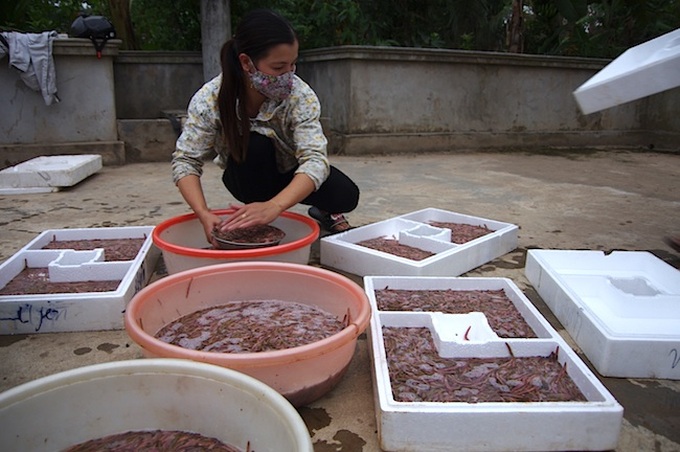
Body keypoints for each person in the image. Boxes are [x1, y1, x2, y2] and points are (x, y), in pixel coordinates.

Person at [171, 9, 359, 246]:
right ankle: (256, 217)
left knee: (346, 195)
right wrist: (203, 213)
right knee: (257, 144)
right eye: (279, 68)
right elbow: (186, 160)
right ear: (246, 63)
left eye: (293, 65)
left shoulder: (300, 95)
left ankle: (321, 212)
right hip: (247, 174)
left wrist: (276, 205)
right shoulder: (210, 99)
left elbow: (314, 159)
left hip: (291, 170)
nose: (288, 75)